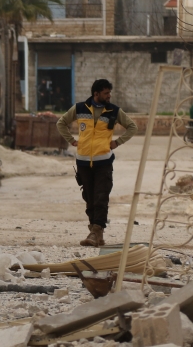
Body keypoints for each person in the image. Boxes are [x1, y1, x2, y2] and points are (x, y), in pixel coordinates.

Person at [56, 79, 138, 247]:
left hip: (104, 162)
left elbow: (132, 127)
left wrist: (118, 142)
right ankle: (96, 234)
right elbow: (61, 123)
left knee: (101, 197)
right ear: (96, 94)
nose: (109, 96)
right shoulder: (79, 108)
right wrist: (71, 141)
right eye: (106, 93)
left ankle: (96, 231)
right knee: (90, 199)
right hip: (83, 162)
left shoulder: (114, 111)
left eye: (109, 93)